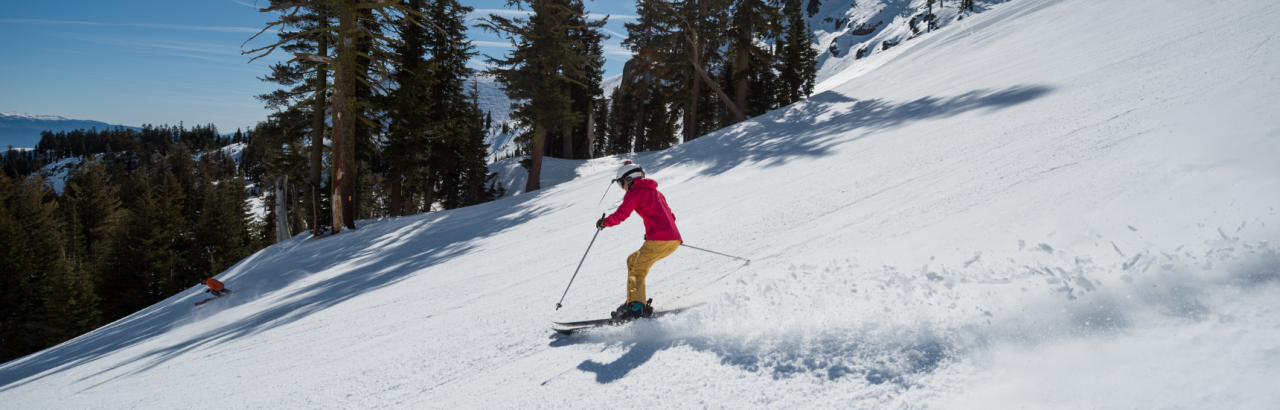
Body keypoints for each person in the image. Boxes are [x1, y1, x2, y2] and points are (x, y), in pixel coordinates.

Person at [596, 161, 681, 320]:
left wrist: (604, 222)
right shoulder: (656, 192)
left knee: (637, 272)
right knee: (632, 260)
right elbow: (670, 216)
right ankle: (633, 301)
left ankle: (636, 309)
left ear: (629, 179)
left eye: (622, 183)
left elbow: (621, 214)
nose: (622, 188)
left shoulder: (635, 192)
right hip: (672, 240)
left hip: (659, 240)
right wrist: (667, 235)